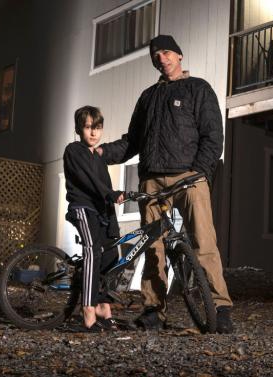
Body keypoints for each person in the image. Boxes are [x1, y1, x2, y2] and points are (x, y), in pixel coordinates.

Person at [98, 34, 234, 333]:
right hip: (152, 181)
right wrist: (101, 153)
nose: (162, 58)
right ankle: (153, 311)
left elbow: (213, 136)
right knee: (152, 247)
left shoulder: (198, 88)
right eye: (156, 55)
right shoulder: (148, 96)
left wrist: (200, 171)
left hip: (189, 177)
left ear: (179, 55)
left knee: (204, 243)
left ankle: (221, 308)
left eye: (167, 52)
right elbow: (132, 141)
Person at [63, 106, 124, 332]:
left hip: (101, 212)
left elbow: (105, 188)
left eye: (97, 128)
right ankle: (87, 308)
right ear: (79, 128)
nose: (93, 133)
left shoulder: (99, 157)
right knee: (92, 251)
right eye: (88, 127)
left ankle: (103, 307)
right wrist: (110, 194)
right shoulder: (74, 150)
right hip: (83, 208)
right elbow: (90, 182)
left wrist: (113, 224)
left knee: (111, 254)